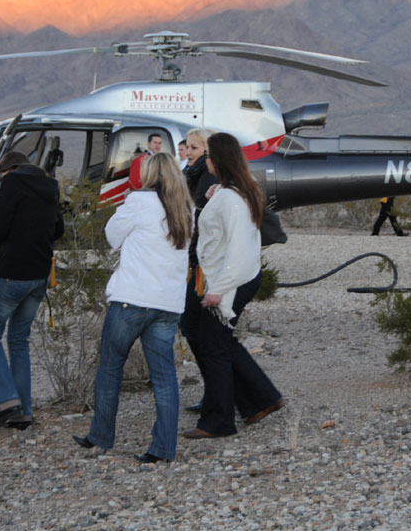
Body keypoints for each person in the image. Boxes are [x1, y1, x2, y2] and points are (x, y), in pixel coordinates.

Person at [73, 152, 194, 463]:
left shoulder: (139, 201)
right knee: (164, 377)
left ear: (149, 175)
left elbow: (111, 235)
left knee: (111, 367)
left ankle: (101, 435)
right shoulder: (185, 208)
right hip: (167, 303)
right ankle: (164, 448)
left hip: (133, 299)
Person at [183, 132, 283, 439]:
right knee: (201, 333)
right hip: (214, 277)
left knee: (214, 346)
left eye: (209, 156)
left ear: (219, 160)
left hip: (228, 281)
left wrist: (219, 290)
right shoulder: (230, 192)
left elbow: (239, 250)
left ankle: (219, 421)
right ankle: (261, 398)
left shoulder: (233, 198)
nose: (205, 161)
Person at [0, 151, 64, 431]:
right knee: (18, 339)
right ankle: (23, 412)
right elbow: (59, 229)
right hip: (39, 274)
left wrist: (9, 246)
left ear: (10, 169)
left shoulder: (12, 182)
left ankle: (7, 402)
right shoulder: (51, 186)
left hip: (13, 271)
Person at [180, 127, 219, 413]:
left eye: (195, 147)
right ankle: (215, 391)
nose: (188, 152)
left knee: (196, 327)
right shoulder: (192, 176)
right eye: (188, 147)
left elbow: (204, 222)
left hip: (204, 265)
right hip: (195, 261)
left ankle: (218, 393)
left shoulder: (208, 178)